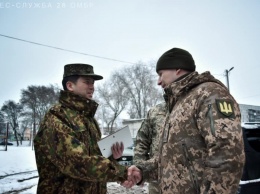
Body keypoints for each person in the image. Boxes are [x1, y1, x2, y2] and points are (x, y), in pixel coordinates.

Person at [128, 48, 245, 193]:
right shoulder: (178, 104)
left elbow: (227, 154)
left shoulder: (209, 94)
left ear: (177, 69)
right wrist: (142, 171)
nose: (159, 82)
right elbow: (172, 160)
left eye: (160, 74)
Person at [34, 63, 140, 194]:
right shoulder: (57, 118)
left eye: (93, 83)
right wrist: (122, 173)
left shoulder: (89, 119)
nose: (92, 87)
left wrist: (112, 156)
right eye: (87, 82)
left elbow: (93, 155)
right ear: (70, 86)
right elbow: (78, 162)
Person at [133, 102, 167, 194]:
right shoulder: (155, 112)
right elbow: (142, 141)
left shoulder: (191, 103)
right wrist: (140, 169)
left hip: (187, 180)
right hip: (157, 180)